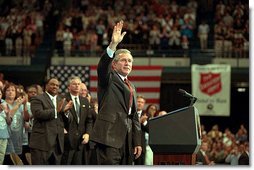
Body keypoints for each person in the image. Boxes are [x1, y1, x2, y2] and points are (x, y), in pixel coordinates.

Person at [90, 20, 142, 165]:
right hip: (109, 136)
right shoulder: (108, 78)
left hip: (127, 138)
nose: (127, 63)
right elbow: (102, 66)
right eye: (123, 60)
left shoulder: (132, 86)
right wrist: (113, 45)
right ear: (114, 64)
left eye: (130, 61)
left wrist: (137, 141)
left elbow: (134, 117)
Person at [29, 78, 73, 165]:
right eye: (52, 84)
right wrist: (56, 110)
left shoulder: (61, 100)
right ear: (46, 86)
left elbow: (70, 120)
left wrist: (66, 112)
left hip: (57, 145)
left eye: (57, 85)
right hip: (41, 144)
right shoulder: (37, 99)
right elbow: (39, 114)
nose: (55, 87)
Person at [61, 76, 93, 165]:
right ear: (68, 87)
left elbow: (89, 120)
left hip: (81, 142)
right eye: (74, 84)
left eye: (79, 84)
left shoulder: (85, 101)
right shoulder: (62, 100)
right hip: (66, 142)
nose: (77, 86)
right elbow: (58, 118)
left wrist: (87, 133)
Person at [134, 95, 147, 165]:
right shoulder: (130, 113)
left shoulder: (146, 115)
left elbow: (149, 129)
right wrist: (139, 121)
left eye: (142, 102)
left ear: (144, 104)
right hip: (130, 144)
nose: (140, 103)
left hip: (141, 145)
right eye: (138, 101)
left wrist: (144, 122)